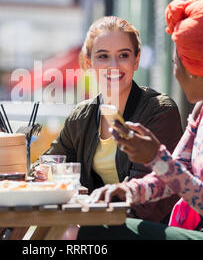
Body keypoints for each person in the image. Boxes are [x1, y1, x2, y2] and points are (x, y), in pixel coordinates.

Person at [78, 0, 203, 240]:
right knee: (98, 225)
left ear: (192, 69)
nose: (175, 71)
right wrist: (126, 190)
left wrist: (155, 157)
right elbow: (171, 177)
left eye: (175, 63)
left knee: (100, 232)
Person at [33, 16, 183, 223]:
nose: (114, 65)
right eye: (103, 56)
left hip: (146, 227)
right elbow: (50, 163)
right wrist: (42, 171)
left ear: (136, 60)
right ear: (88, 63)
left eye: (123, 55)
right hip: (96, 220)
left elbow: (146, 200)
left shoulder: (159, 111)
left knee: (65, 234)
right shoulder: (81, 117)